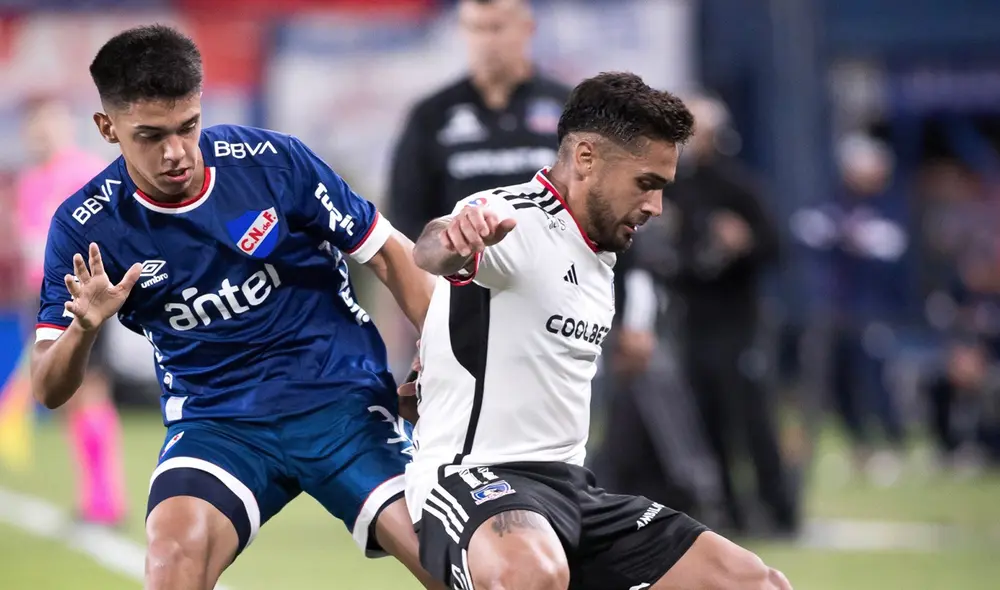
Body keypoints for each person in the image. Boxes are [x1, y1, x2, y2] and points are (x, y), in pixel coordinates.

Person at [28, 25, 441, 590]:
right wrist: (83, 326)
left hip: (339, 400)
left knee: (450, 564)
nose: (176, 152)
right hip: (217, 421)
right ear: (107, 128)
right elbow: (48, 388)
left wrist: (440, 359)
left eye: (187, 127)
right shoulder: (85, 228)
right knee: (172, 564)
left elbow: (392, 256)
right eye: (150, 135)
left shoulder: (273, 164)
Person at [404, 72, 792, 590]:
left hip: (571, 494)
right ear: (585, 158)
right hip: (475, 479)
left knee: (754, 581)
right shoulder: (514, 218)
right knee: (533, 574)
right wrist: (455, 236)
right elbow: (432, 249)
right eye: (646, 184)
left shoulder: (599, 252)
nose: (655, 207)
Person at [659, 94, 796, 535]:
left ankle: (779, 512)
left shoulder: (739, 187)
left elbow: (776, 246)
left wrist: (745, 242)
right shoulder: (670, 189)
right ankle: (729, 514)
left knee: (753, 422)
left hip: (739, 322)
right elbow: (663, 258)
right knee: (707, 423)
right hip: (693, 322)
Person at [15, 94, 127, 527]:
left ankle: (108, 500)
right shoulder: (28, 183)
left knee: (92, 391)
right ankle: (91, 497)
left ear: (65, 125)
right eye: (36, 124)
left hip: (81, 296)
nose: (43, 131)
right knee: (64, 398)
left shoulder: (83, 172)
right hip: (40, 298)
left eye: (51, 121)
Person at [387, 0, 571, 243]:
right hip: (463, 274)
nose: (486, 42)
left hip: (557, 273)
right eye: (475, 29)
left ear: (527, 29)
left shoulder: (568, 107)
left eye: (496, 28)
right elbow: (406, 217)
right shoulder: (431, 115)